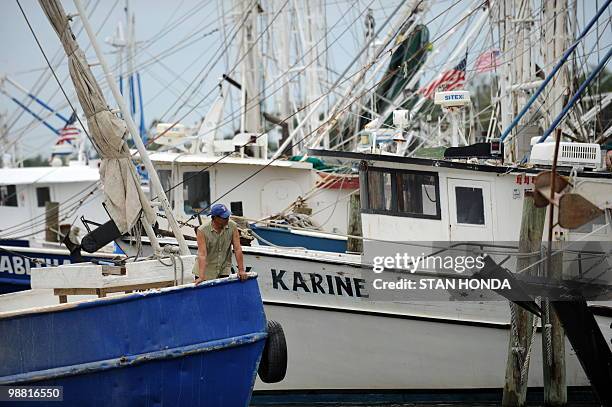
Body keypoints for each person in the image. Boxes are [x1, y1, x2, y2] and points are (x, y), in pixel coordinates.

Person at [193, 203, 247, 285]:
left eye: (228, 216)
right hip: (206, 271)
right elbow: (202, 254)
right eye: (224, 217)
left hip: (224, 268)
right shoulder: (202, 230)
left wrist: (241, 270)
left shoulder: (232, 226)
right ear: (215, 217)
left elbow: (237, 248)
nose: (227, 219)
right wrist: (201, 276)